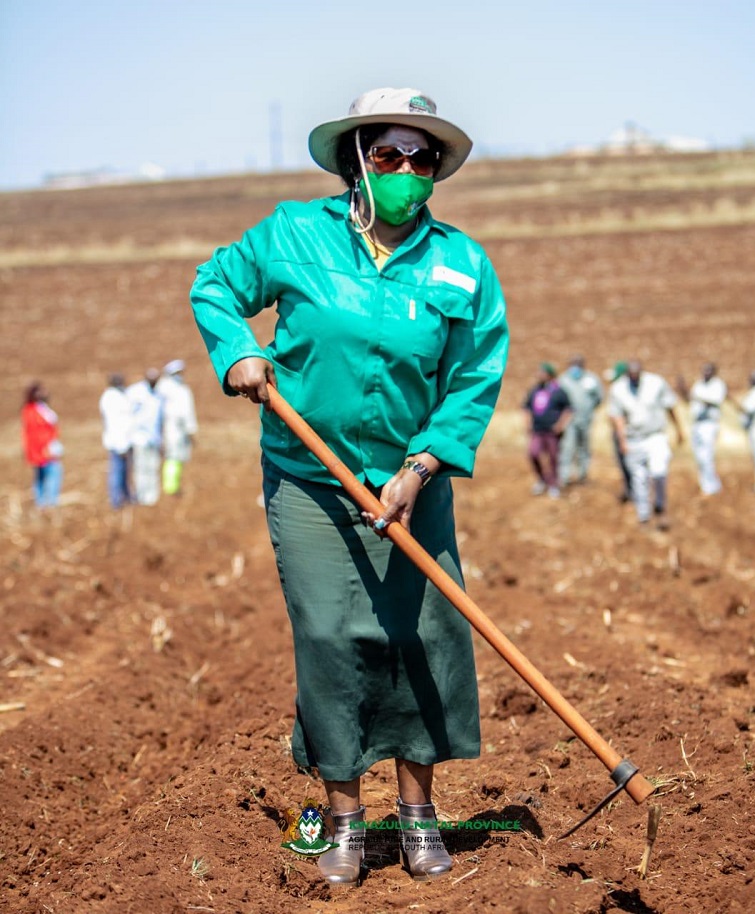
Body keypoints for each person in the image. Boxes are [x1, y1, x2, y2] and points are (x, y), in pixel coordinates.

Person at [190, 87, 509, 885]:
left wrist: (421, 467)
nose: (405, 169)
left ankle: (418, 815)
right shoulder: (295, 234)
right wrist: (238, 351)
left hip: (412, 480)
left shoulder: (462, 263)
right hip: (310, 480)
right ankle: (344, 821)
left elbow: (473, 377)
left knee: (422, 635)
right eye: (388, 153)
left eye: (421, 157)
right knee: (331, 637)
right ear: (356, 158)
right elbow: (216, 285)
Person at [607, 360, 684, 529]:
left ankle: (660, 506)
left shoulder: (656, 383)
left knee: (659, 471)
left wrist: (679, 429)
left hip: (655, 436)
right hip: (633, 438)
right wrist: (622, 441)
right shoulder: (618, 389)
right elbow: (617, 417)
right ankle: (644, 515)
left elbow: (669, 406)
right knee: (639, 478)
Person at [522, 362, 572, 498]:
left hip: (552, 431)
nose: (539, 375)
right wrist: (527, 424)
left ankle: (554, 484)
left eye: (542, 373)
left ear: (550, 375)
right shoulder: (535, 390)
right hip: (537, 430)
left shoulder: (559, 391)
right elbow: (526, 407)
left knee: (553, 457)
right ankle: (542, 479)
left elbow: (568, 409)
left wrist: (560, 425)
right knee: (534, 453)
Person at [676, 363, 727, 496]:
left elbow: (715, 401)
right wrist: (682, 390)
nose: (705, 373)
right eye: (704, 370)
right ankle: (706, 484)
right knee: (699, 457)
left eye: (708, 371)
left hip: (709, 424)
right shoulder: (699, 384)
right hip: (697, 424)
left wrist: (695, 397)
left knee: (706, 456)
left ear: (714, 372)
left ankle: (711, 487)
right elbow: (690, 400)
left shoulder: (718, 385)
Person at [557, 354, 603, 486]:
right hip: (569, 421)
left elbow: (599, 398)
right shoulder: (563, 380)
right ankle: (564, 477)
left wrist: (589, 409)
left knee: (584, 448)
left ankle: (583, 475)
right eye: (573, 364)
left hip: (586, 420)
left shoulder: (591, 379)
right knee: (567, 447)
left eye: (578, 364)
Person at [156, 359, 198, 496]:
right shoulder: (177, 390)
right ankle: (170, 487)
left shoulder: (164, 388)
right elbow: (186, 413)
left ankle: (173, 485)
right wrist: (191, 430)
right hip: (174, 430)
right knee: (173, 458)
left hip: (174, 430)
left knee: (177, 458)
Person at [21, 381, 63, 508]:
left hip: (47, 448)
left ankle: (43, 502)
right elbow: (35, 434)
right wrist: (44, 449)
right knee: (51, 474)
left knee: (42, 476)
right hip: (43, 451)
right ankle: (48, 502)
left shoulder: (42, 408)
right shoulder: (31, 411)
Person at [126, 368, 163, 506]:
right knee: (141, 468)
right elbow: (128, 414)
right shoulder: (136, 392)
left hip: (153, 438)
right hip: (139, 438)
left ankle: (151, 498)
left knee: (152, 467)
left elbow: (159, 419)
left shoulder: (158, 395)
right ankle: (141, 496)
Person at [99, 373, 133, 509]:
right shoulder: (111, 398)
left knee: (125, 472)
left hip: (124, 441)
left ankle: (126, 496)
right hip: (118, 442)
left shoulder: (120, 396)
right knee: (117, 471)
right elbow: (115, 424)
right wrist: (121, 446)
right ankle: (116, 500)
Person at [606, 361, 632, 502]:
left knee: (629, 462)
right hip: (620, 431)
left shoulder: (619, 389)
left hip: (625, 432)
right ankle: (629, 489)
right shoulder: (618, 388)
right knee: (623, 463)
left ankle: (632, 491)